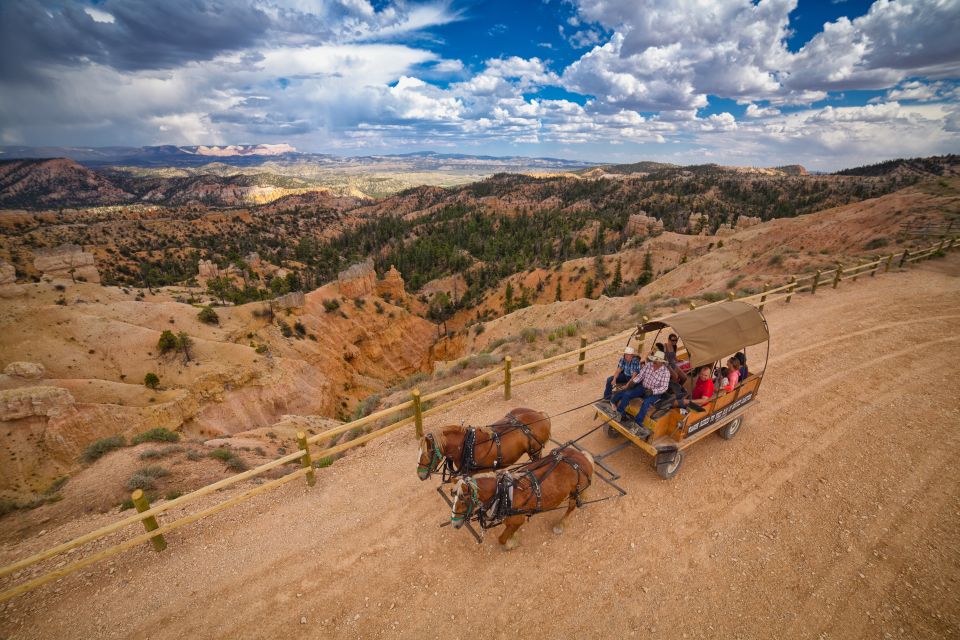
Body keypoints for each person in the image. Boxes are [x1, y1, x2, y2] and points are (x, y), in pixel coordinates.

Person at [612, 351, 670, 437]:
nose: (654, 362)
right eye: (654, 360)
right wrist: (633, 382)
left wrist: (652, 391)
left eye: (656, 361)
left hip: (655, 393)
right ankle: (620, 413)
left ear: (662, 362)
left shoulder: (666, 372)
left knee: (646, 403)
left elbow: (664, 387)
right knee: (627, 394)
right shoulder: (648, 365)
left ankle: (638, 422)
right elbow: (640, 376)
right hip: (643, 387)